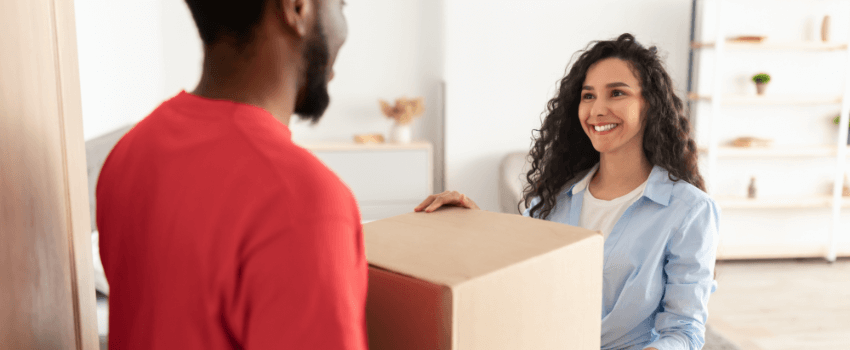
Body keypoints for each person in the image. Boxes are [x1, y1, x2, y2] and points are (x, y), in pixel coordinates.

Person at [415, 33, 720, 350]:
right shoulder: (553, 197)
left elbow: (684, 331)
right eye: (588, 96)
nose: (597, 109)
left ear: (650, 105)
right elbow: (518, 273)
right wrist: (472, 221)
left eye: (617, 93)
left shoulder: (689, 209)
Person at [96, 0, 367, 348]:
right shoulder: (301, 199)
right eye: (341, 5)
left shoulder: (131, 152)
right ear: (297, 8)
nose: (343, 25)